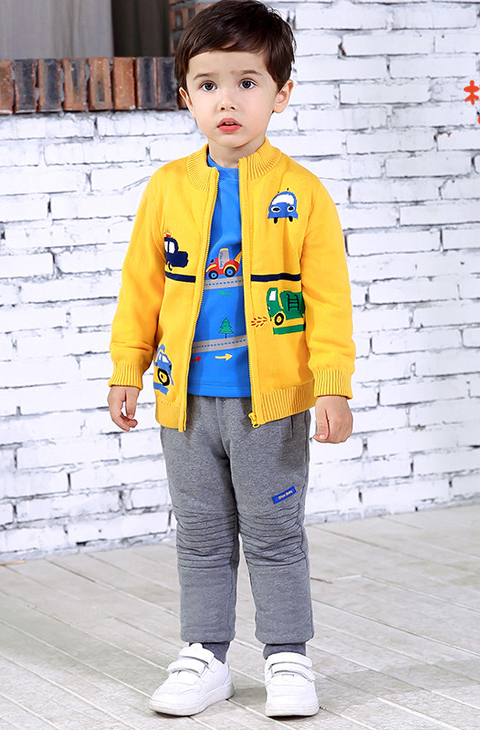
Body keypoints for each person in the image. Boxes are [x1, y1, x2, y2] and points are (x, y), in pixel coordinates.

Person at [107, 0, 355, 717]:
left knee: (275, 536)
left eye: (247, 82)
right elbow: (141, 288)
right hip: (183, 403)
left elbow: (328, 300)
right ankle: (205, 655)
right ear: (185, 95)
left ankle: (288, 657)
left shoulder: (302, 193)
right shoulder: (167, 188)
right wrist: (127, 370)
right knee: (201, 537)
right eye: (208, 84)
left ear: (281, 93)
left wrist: (332, 385)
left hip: (271, 404)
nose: (227, 100)